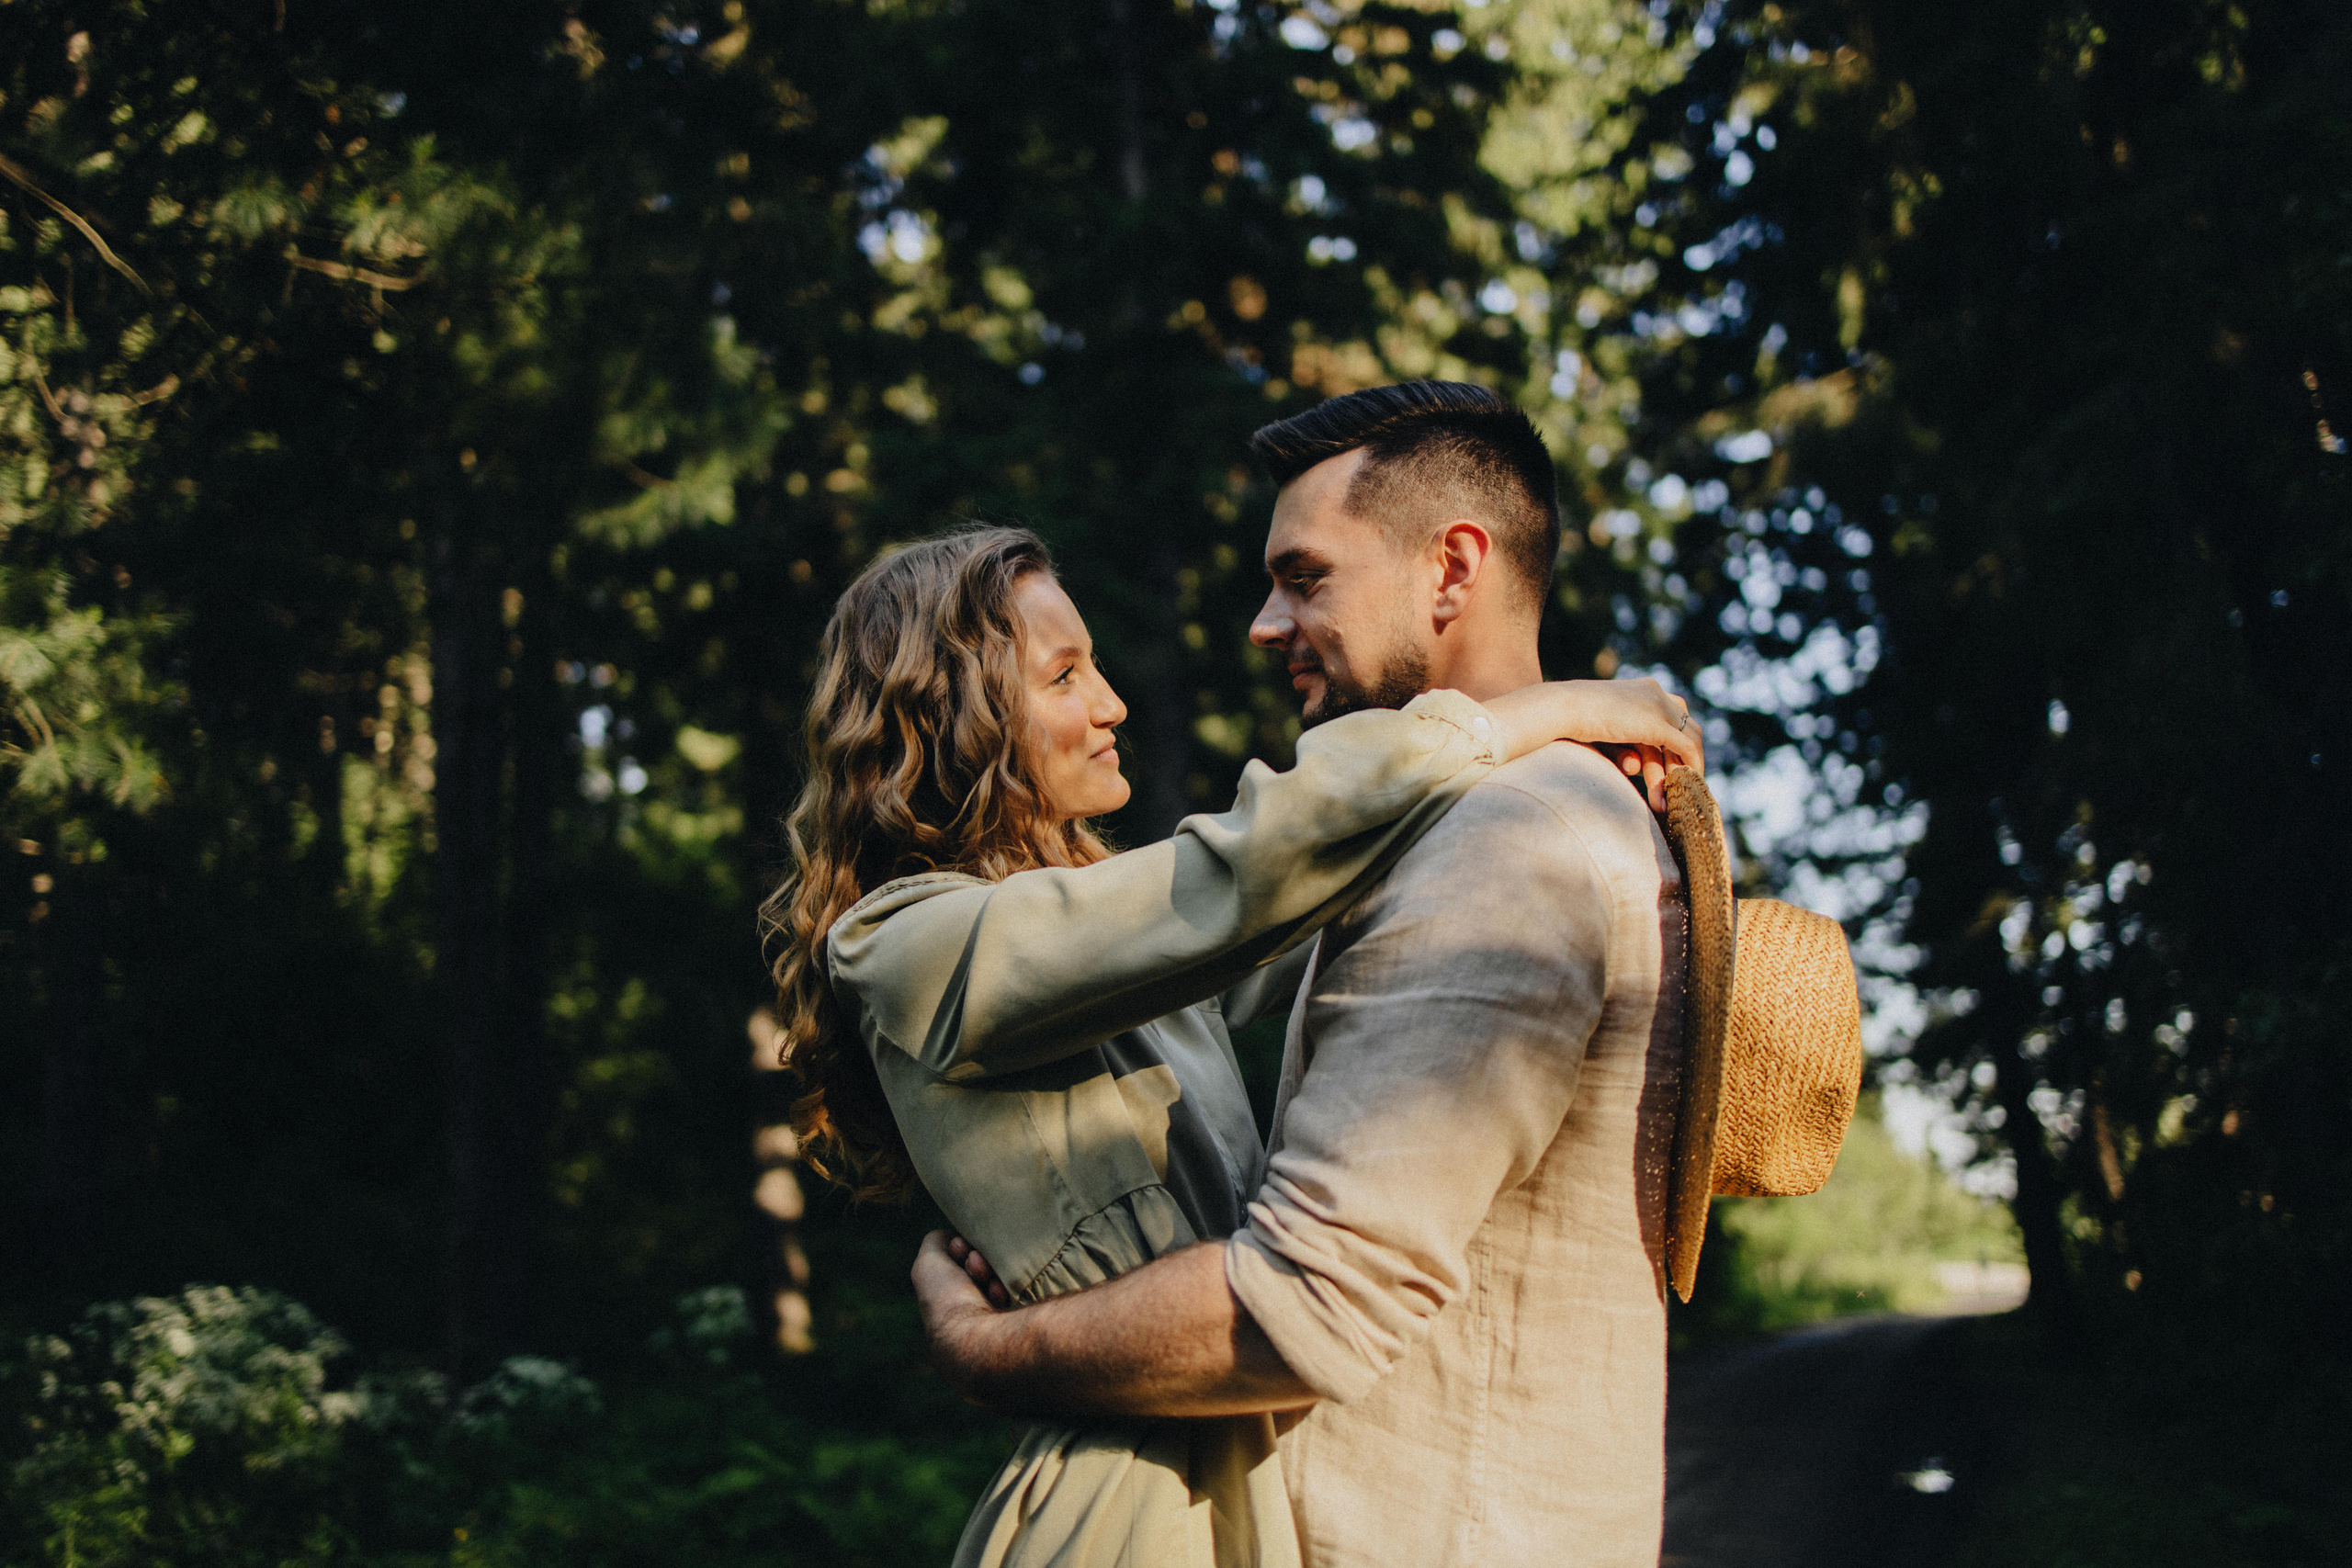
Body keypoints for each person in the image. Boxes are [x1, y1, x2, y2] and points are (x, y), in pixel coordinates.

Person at [762, 520, 1697, 1568]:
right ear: (951, 718)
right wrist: (1545, 712)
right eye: (1064, 676)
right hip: (1128, 1509)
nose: (1110, 703)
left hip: (1244, 1476)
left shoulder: (1104, 940)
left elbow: (1346, 914)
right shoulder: (900, 947)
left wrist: (1546, 772)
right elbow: (1245, 873)